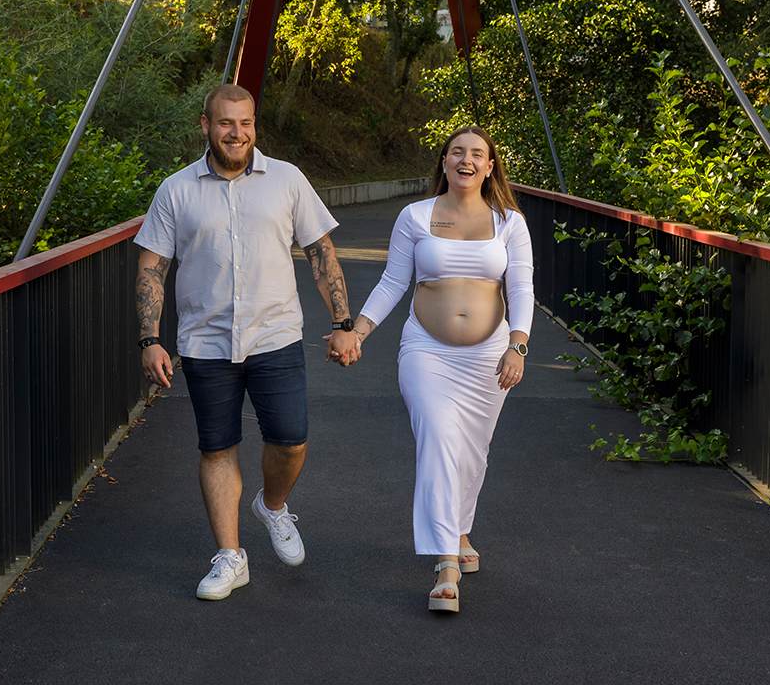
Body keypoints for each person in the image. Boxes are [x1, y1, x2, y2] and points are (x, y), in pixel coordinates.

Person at [133, 83, 359, 601]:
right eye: (226, 123)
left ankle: (273, 505)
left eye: (246, 122)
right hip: (205, 342)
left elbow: (321, 255)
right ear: (206, 126)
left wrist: (344, 324)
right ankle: (231, 557)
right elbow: (152, 268)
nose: (238, 133)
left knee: (291, 440)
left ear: (255, 124)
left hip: (275, 335)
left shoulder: (287, 180)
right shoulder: (175, 190)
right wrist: (150, 338)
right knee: (217, 447)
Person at [344, 125, 533, 612]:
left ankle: (460, 529)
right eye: (457, 153)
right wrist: (358, 331)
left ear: (490, 166)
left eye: (477, 154)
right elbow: (392, 282)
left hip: (490, 356)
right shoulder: (415, 216)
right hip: (426, 351)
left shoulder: (510, 222)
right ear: (444, 163)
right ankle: (446, 562)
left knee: (472, 452)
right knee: (439, 438)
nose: (466, 161)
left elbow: (523, 290)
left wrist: (518, 346)